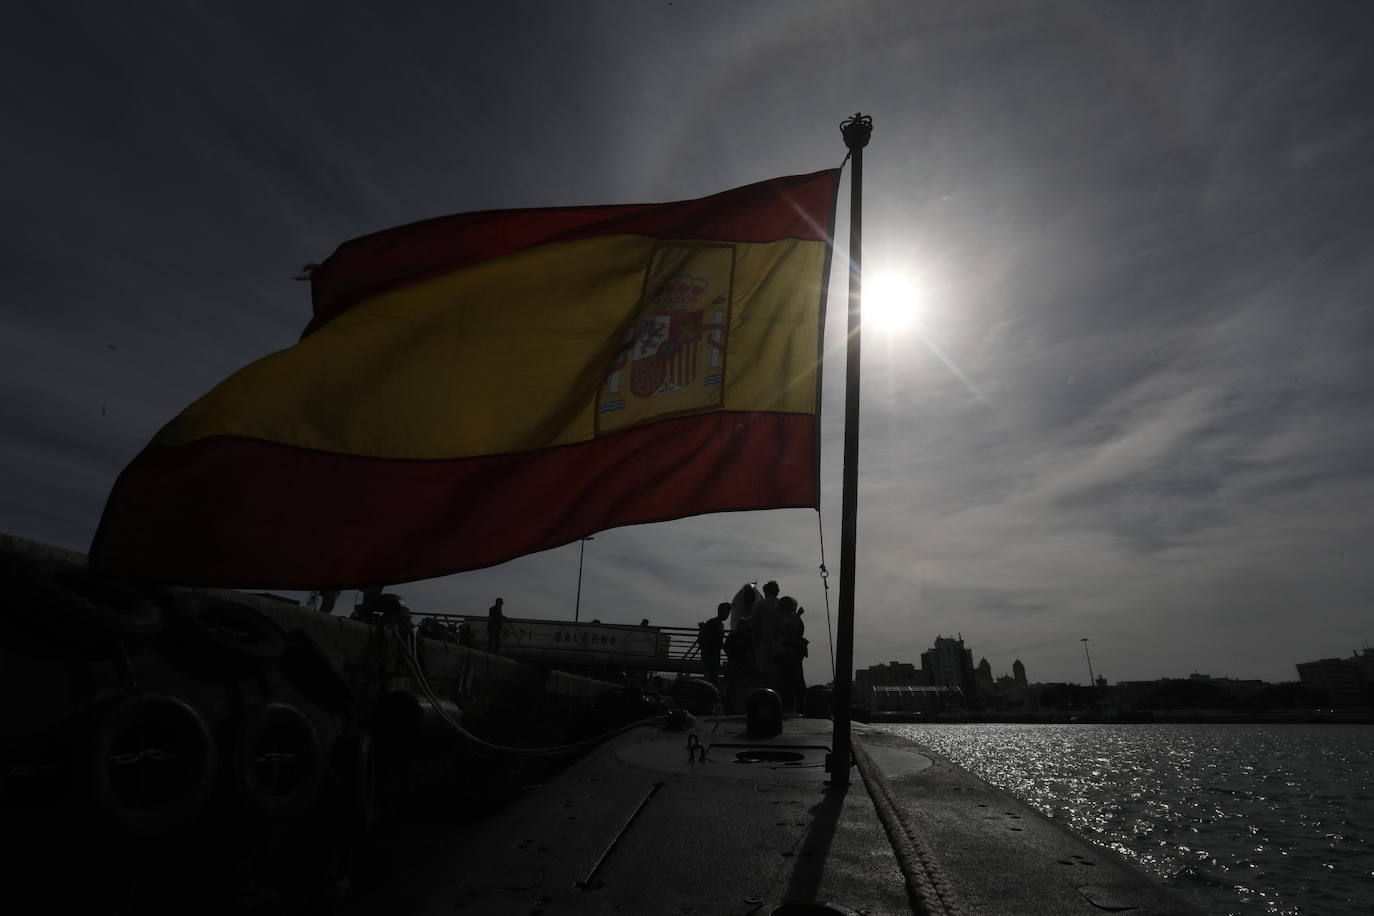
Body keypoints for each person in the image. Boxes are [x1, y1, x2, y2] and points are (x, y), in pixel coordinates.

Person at [774, 598, 807, 714]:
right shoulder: (783, 618)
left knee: (792, 682)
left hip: (788, 653)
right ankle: (792, 708)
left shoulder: (782, 617)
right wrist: (797, 616)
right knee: (791, 682)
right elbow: (790, 631)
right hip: (787, 653)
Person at [751, 580, 781, 673]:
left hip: (763, 643)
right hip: (779, 643)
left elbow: (754, 622)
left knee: (763, 670)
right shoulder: (781, 604)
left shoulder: (760, 605)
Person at [699, 602, 730, 684]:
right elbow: (707, 638)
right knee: (712, 677)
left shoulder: (718, 624)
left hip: (714, 653)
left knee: (712, 677)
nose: (727, 615)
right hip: (710, 654)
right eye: (726, 612)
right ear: (720, 611)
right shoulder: (713, 623)